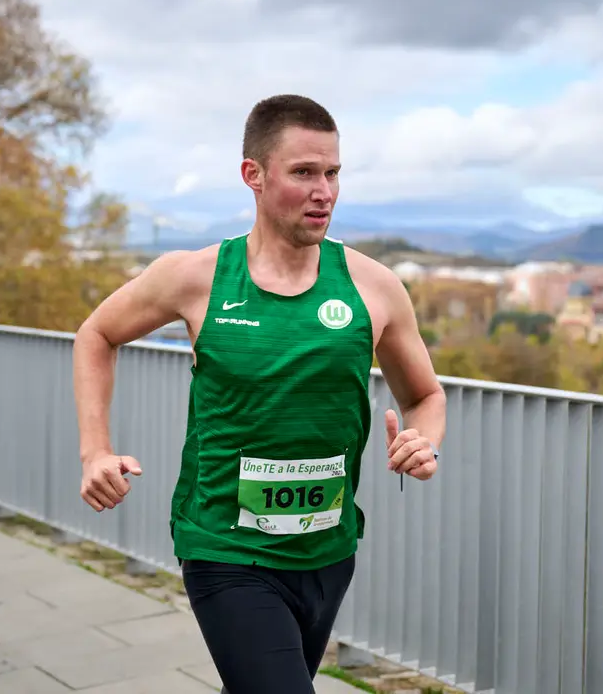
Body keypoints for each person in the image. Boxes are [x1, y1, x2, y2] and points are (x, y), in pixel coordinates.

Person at [72, 94, 446, 693]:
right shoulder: (196, 277)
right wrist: (96, 451)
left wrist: (423, 440)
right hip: (224, 547)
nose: (324, 190)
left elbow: (425, 395)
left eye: (333, 173)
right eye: (303, 173)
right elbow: (97, 333)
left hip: (329, 548)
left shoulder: (374, 287)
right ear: (254, 174)